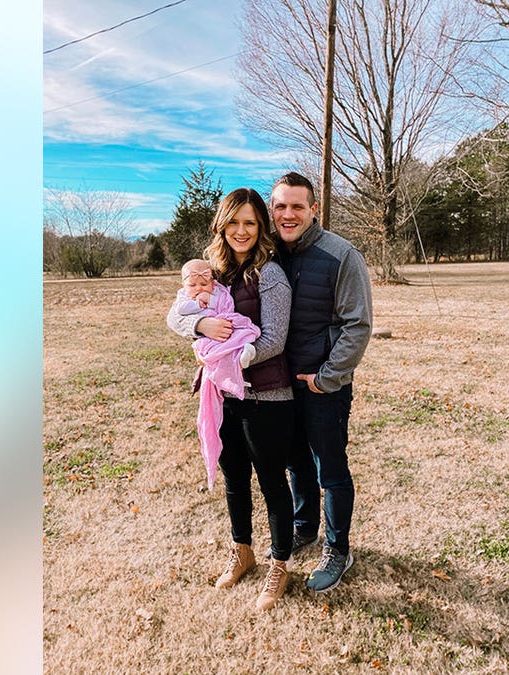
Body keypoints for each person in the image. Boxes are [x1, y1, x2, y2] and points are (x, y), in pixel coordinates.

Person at [166, 187, 295, 611]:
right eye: (234, 222)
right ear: (222, 225)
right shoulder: (211, 273)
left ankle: (280, 564)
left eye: (251, 223)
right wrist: (202, 326)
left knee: (272, 481)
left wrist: (233, 358)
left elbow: (275, 339)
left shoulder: (270, 274)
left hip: (266, 394)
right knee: (235, 478)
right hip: (221, 396)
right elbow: (175, 316)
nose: (242, 231)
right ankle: (242, 551)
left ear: (261, 228)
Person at [270, 171, 373, 593]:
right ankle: (304, 527)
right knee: (295, 463)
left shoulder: (341, 254)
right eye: (281, 206)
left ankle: (338, 548)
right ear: (271, 209)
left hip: (322, 387)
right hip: (280, 384)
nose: (288, 214)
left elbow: (358, 325)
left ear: (314, 210)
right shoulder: (268, 253)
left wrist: (328, 378)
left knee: (329, 469)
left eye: (298, 206)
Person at [170, 258, 261, 488]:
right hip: (209, 340)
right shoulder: (185, 299)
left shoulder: (219, 289)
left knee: (243, 329)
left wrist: (212, 300)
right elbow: (175, 315)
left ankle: (242, 354)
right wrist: (200, 319)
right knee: (205, 348)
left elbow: (227, 304)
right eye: (193, 285)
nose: (199, 289)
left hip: (228, 326)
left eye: (204, 283)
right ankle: (229, 364)